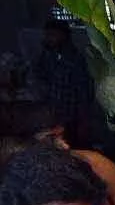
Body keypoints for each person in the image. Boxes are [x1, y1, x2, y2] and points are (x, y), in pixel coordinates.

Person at [32, 18, 97, 148]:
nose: (48, 38)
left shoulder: (75, 60)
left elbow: (84, 92)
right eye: (47, 35)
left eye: (52, 35)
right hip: (55, 116)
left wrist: (83, 121)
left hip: (72, 118)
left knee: (75, 150)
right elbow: (40, 75)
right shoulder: (48, 55)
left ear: (63, 35)